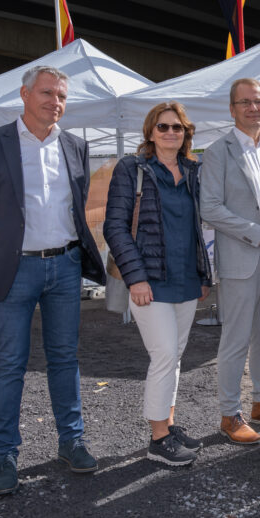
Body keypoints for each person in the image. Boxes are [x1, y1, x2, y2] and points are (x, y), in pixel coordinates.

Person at [0, 65, 106, 495]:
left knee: (65, 358)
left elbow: (78, 207)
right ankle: (4, 455)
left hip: (64, 267)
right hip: (14, 269)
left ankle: (71, 441)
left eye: (61, 96)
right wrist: (3, 248)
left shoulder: (76, 146)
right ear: (24, 94)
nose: (55, 102)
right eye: (47, 93)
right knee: (9, 364)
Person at [104, 102, 212, 466]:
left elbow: (197, 228)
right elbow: (115, 227)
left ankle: (168, 423)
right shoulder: (131, 169)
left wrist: (202, 275)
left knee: (174, 357)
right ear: (151, 132)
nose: (170, 133)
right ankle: (158, 439)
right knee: (165, 354)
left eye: (177, 128)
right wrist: (135, 277)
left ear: (186, 133)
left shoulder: (193, 170)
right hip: (149, 282)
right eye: (163, 127)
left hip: (185, 280)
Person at [200, 78, 260, 444]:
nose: (253, 108)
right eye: (245, 103)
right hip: (243, 259)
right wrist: (258, 234)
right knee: (236, 339)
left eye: (258, 101)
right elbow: (209, 208)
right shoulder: (217, 152)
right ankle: (230, 414)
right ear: (232, 109)